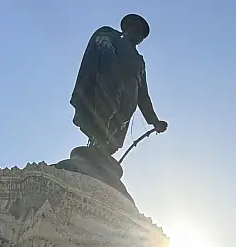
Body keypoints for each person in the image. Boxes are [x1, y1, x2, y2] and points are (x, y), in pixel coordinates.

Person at [71, 13, 168, 156]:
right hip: (108, 91)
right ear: (126, 28)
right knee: (101, 123)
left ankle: (102, 150)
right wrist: (111, 66)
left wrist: (154, 121)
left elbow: (143, 95)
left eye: (141, 32)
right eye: (135, 27)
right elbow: (102, 48)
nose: (138, 33)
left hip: (126, 106)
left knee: (111, 138)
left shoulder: (139, 61)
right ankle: (96, 142)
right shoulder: (112, 37)